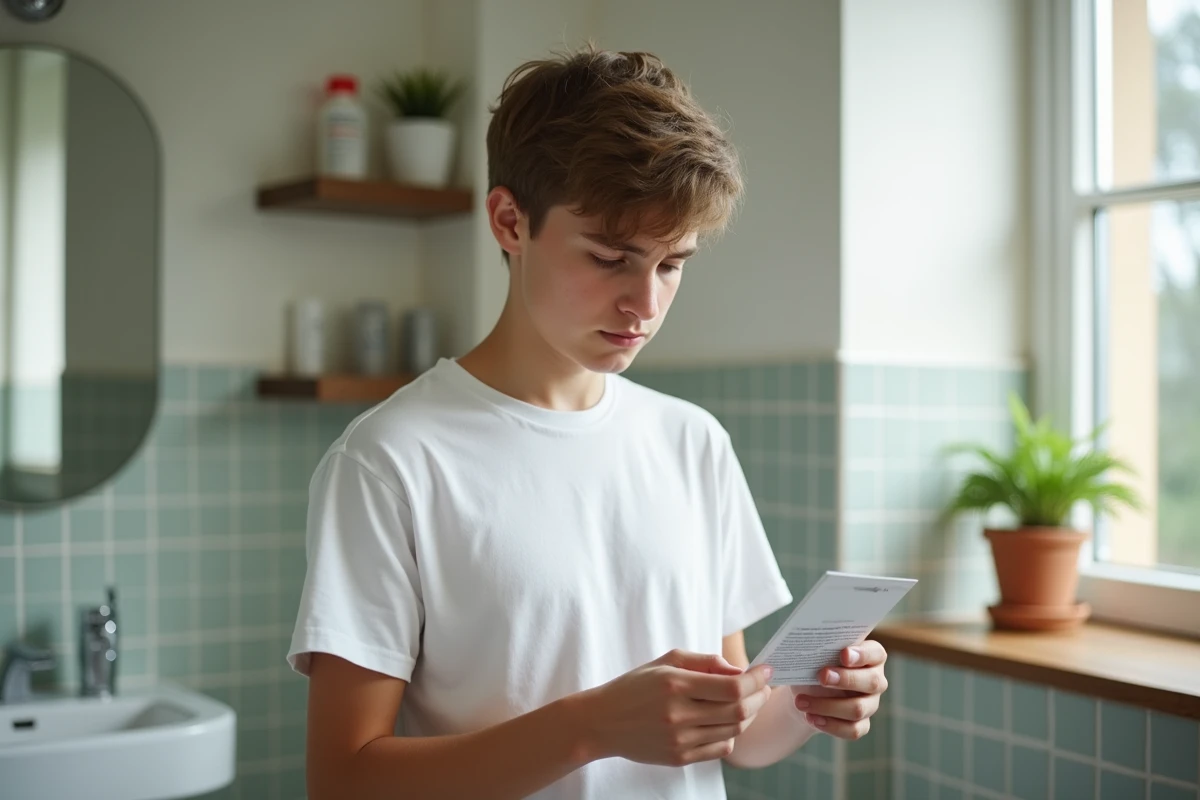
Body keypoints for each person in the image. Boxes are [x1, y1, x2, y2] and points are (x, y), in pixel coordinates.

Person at [286, 43, 890, 800]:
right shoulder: (391, 460)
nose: (645, 304)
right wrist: (591, 728)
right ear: (510, 221)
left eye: (672, 264)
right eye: (610, 258)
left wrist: (811, 698)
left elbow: (735, 735)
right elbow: (342, 781)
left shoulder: (692, 442)